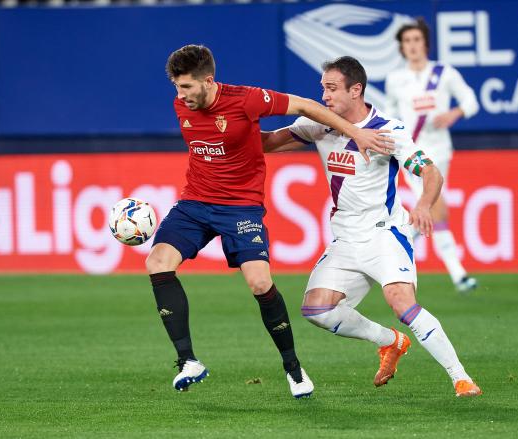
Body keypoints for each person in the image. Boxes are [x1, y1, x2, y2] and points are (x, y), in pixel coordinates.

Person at [145, 45, 392, 399]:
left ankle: (293, 368)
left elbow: (307, 107)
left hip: (240, 208)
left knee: (260, 283)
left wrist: (356, 133)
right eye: (176, 87)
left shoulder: (247, 100)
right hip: (195, 202)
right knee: (157, 262)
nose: (179, 95)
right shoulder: (181, 105)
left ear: (208, 81)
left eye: (186, 87)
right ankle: (188, 361)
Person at [262, 56, 482, 397]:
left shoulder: (388, 129)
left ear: (356, 90)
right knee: (316, 309)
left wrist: (423, 204)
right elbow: (266, 143)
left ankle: (460, 377)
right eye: (323, 88)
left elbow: (431, 171)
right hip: (345, 239)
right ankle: (390, 341)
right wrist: (227, 122)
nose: (325, 96)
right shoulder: (318, 124)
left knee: (401, 302)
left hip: (384, 234)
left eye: (332, 89)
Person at [384, 18, 479, 293]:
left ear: (425, 43)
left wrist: (455, 113)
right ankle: (458, 274)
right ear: (402, 47)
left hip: (441, 150)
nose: (412, 46)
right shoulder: (395, 79)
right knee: (436, 205)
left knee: (431, 206)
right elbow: (389, 114)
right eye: (407, 41)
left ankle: (399, 244)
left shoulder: (444, 73)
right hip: (412, 152)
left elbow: (471, 100)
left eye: (417, 40)